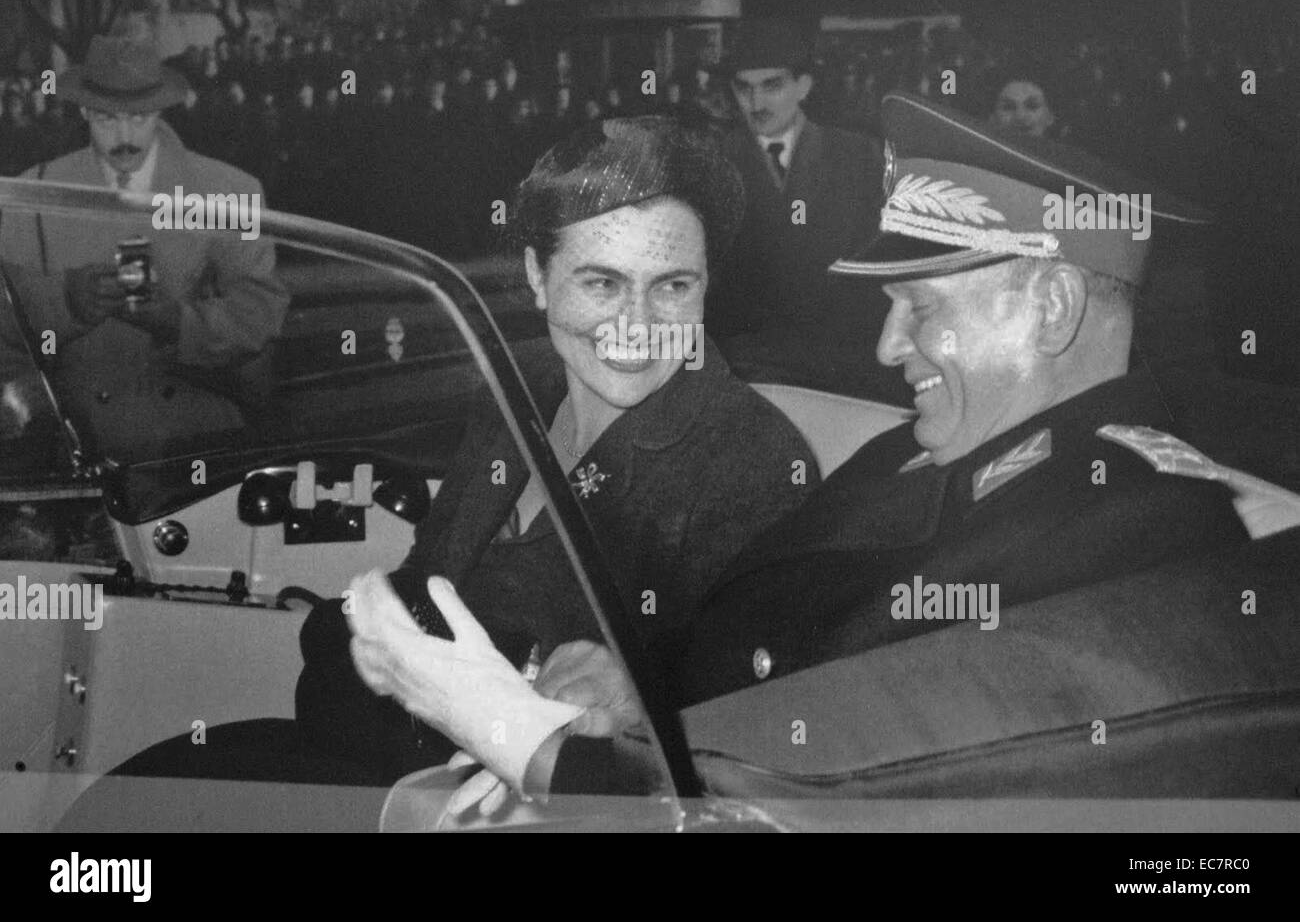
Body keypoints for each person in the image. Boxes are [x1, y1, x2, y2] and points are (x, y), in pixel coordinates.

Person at [346, 92, 1254, 818]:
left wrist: (524, 738)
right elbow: (759, 663)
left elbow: (853, 803)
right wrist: (635, 694)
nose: (887, 349)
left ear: (1052, 309)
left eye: (924, 308)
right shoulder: (917, 454)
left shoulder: (1137, 525)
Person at [51, 116, 818, 817]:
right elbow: (413, 596)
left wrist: (635, 702)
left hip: (506, 812)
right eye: (602, 282)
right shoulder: (521, 404)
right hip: (392, 764)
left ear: (707, 285)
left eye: (672, 287)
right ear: (537, 276)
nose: (637, 327)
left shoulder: (751, 459)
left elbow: (744, 730)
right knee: (123, 806)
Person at [0, 35, 289, 460]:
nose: (124, 136)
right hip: (75, 445)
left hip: (197, 444)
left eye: (138, 118)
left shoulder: (228, 192)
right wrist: (65, 302)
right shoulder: (36, 195)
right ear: (83, 111)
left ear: (159, 110)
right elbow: (4, 324)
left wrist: (177, 321)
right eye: (106, 119)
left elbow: (260, 313)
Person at [706, 19, 893, 400]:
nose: (756, 104)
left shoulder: (858, 156)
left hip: (843, 370)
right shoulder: (712, 161)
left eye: (772, 86)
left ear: (803, 86)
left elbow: (877, 266)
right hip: (747, 372)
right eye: (744, 88)